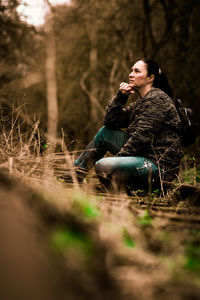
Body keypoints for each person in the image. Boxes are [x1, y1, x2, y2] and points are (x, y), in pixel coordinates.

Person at [68, 59, 183, 193]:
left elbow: (141, 137)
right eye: (131, 70)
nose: (131, 74)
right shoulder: (141, 103)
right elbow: (111, 122)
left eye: (137, 71)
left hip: (157, 166)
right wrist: (121, 97)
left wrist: (117, 161)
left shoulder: (157, 99)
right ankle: (74, 176)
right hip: (142, 156)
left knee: (104, 165)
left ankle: (128, 188)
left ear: (150, 78)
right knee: (106, 132)